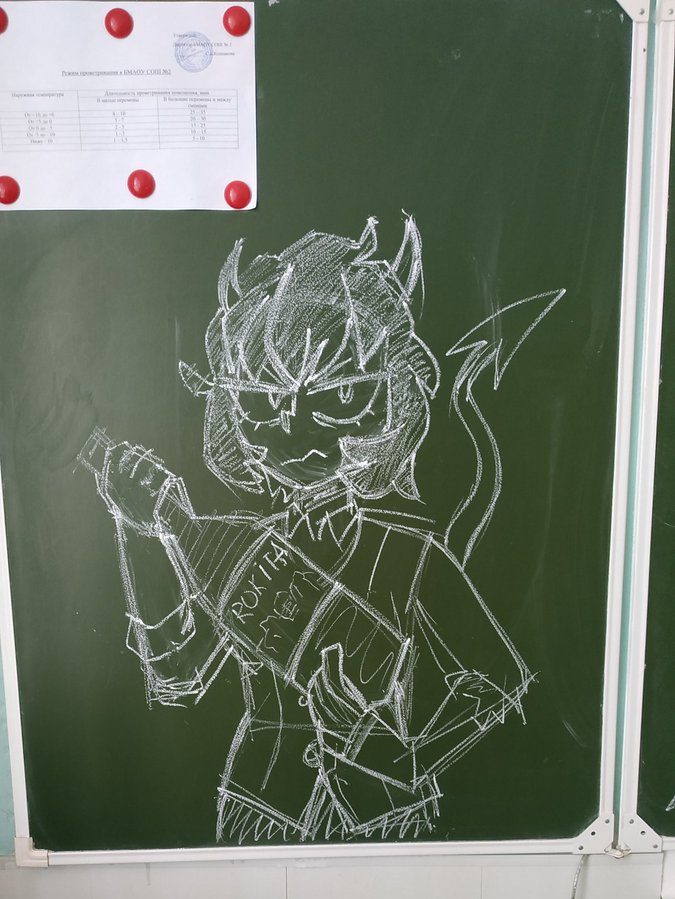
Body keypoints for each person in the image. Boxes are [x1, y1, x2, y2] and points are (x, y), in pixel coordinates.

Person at [81, 216, 546, 843]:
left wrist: (403, 758)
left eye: (339, 395)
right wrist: (140, 532)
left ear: (392, 398)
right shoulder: (243, 543)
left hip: (387, 815)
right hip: (260, 812)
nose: (294, 426)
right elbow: (176, 675)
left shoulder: (408, 555)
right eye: (264, 398)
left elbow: (498, 682)